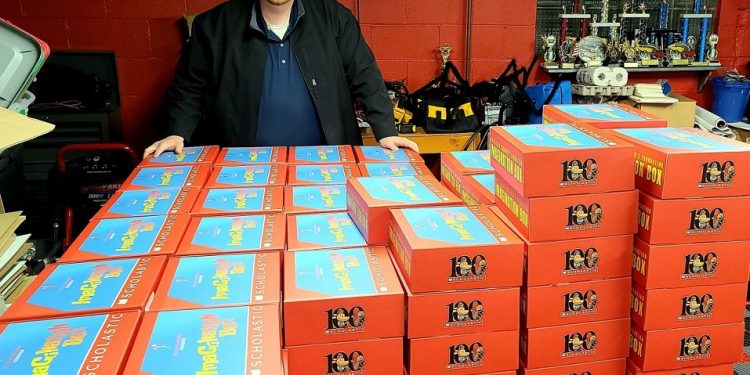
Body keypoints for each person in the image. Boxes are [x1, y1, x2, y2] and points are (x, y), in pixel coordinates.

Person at [144, 0, 418, 158]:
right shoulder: (213, 26)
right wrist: (176, 132)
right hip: (243, 168)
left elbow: (366, 75)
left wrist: (386, 132)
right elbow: (189, 87)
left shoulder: (335, 18)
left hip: (327, 164)